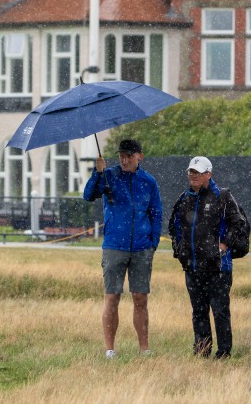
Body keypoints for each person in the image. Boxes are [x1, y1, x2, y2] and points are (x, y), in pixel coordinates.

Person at [82, 138, 163, 359]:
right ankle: (110, 349)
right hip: (114, 246)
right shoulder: (108, 176)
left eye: (129, 156)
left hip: (142, 248)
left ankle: (144, 349)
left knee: (140, 298)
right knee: (112, 296)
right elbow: (88, 195)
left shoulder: (149, 182)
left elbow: (156, 213)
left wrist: (152, 243)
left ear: (140, 156)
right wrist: (97, 173)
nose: (124, 160)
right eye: (121, 156)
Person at [169, 156, 244, 359]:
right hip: (192, 267)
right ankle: (202, 350)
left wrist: (223, 245)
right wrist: (180, 250)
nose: (193, 176)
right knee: (198, 311)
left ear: (208, 174)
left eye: (198, 172)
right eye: (191, 172)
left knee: (220, 311)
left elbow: (238, 223)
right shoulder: (184, 198)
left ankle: (224, 352)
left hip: (218, 267)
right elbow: (174, 227)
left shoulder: (223, 196)